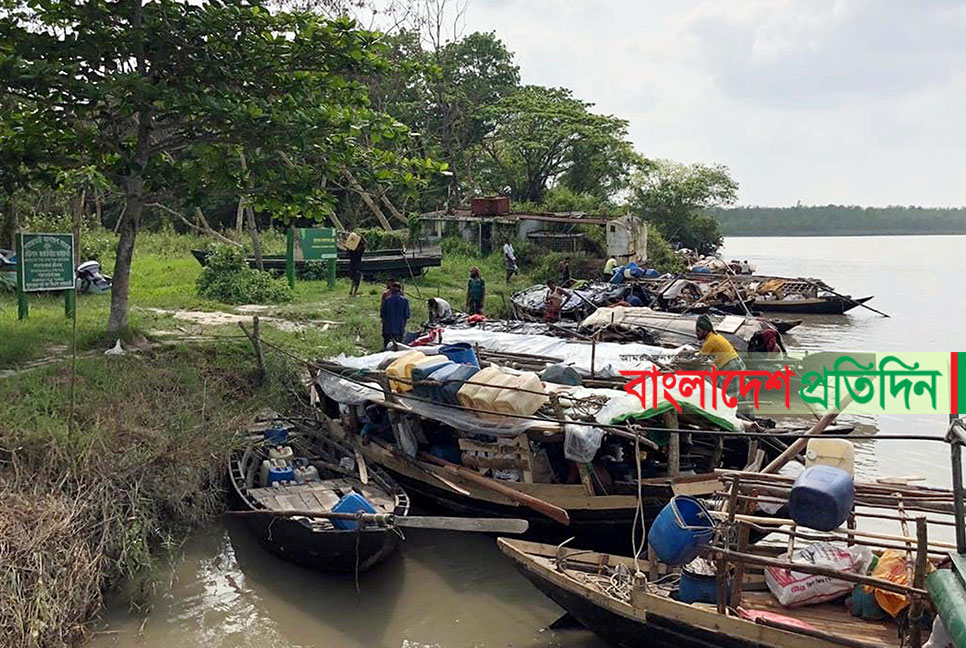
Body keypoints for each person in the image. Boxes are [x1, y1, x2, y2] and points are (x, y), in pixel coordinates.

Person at [380, 281, 410, 348]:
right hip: (400, 327)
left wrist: (383, 321)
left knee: (387, 345)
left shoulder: (387, 300)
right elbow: (407, 315)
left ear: (391, 290)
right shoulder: (405, 301)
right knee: (399, 345)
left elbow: (383, 314)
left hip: (388, 327)